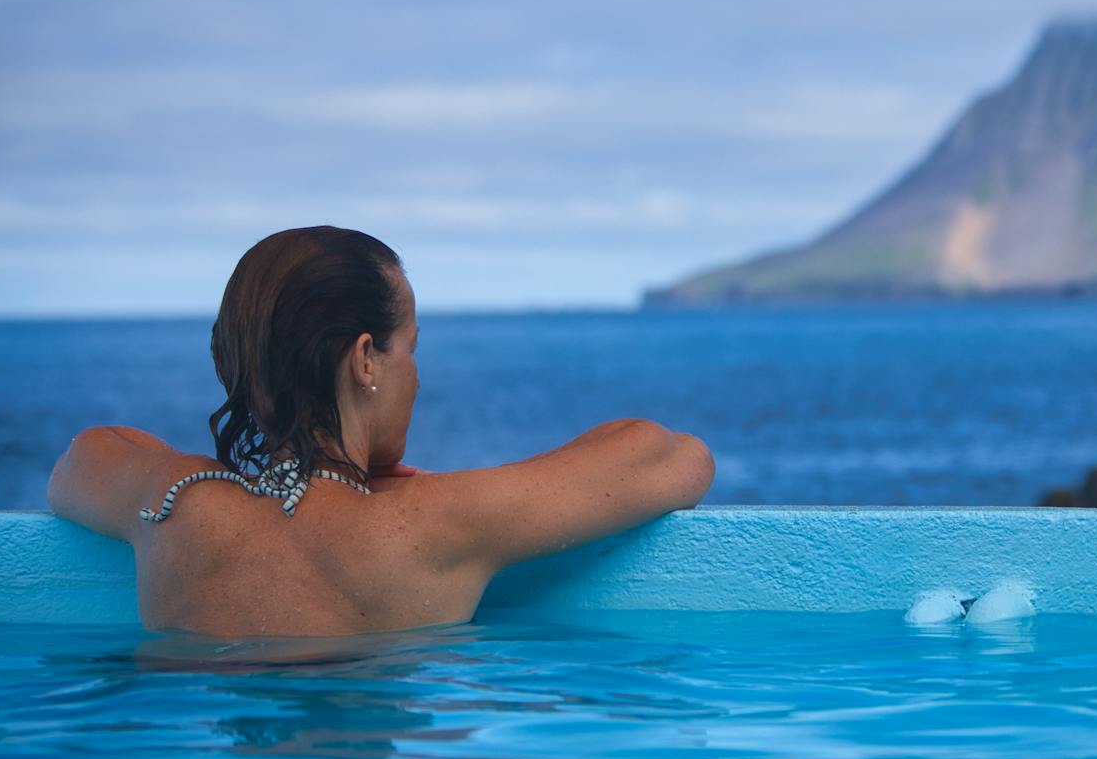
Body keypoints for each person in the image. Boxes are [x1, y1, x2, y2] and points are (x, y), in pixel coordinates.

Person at [47, 225, 714, 636]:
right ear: (366, 358)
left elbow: (84, 455)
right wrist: (402, 494)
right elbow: (669, 455)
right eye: (411, 349)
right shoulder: (433, 524)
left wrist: (243, 483)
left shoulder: (173, 507)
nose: (417, 377)